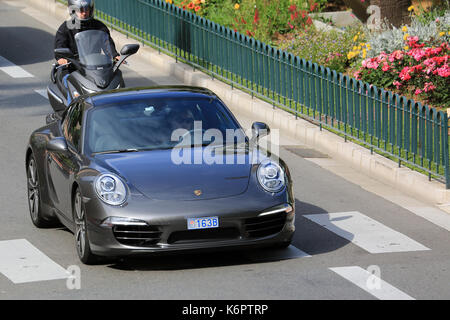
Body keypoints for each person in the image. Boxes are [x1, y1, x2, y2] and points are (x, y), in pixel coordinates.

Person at [54, 0, 120, 67]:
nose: (84, 13)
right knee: (65, 76)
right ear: (73, 10)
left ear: (91, 9)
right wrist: (61, 58)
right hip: (72, 66)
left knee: (116, 74)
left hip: (95, 64)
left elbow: (107, 43)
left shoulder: (99, 26)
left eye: (87, 9)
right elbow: (60, 45)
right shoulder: (66, 28)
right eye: (81, 10)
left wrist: (114, 55)